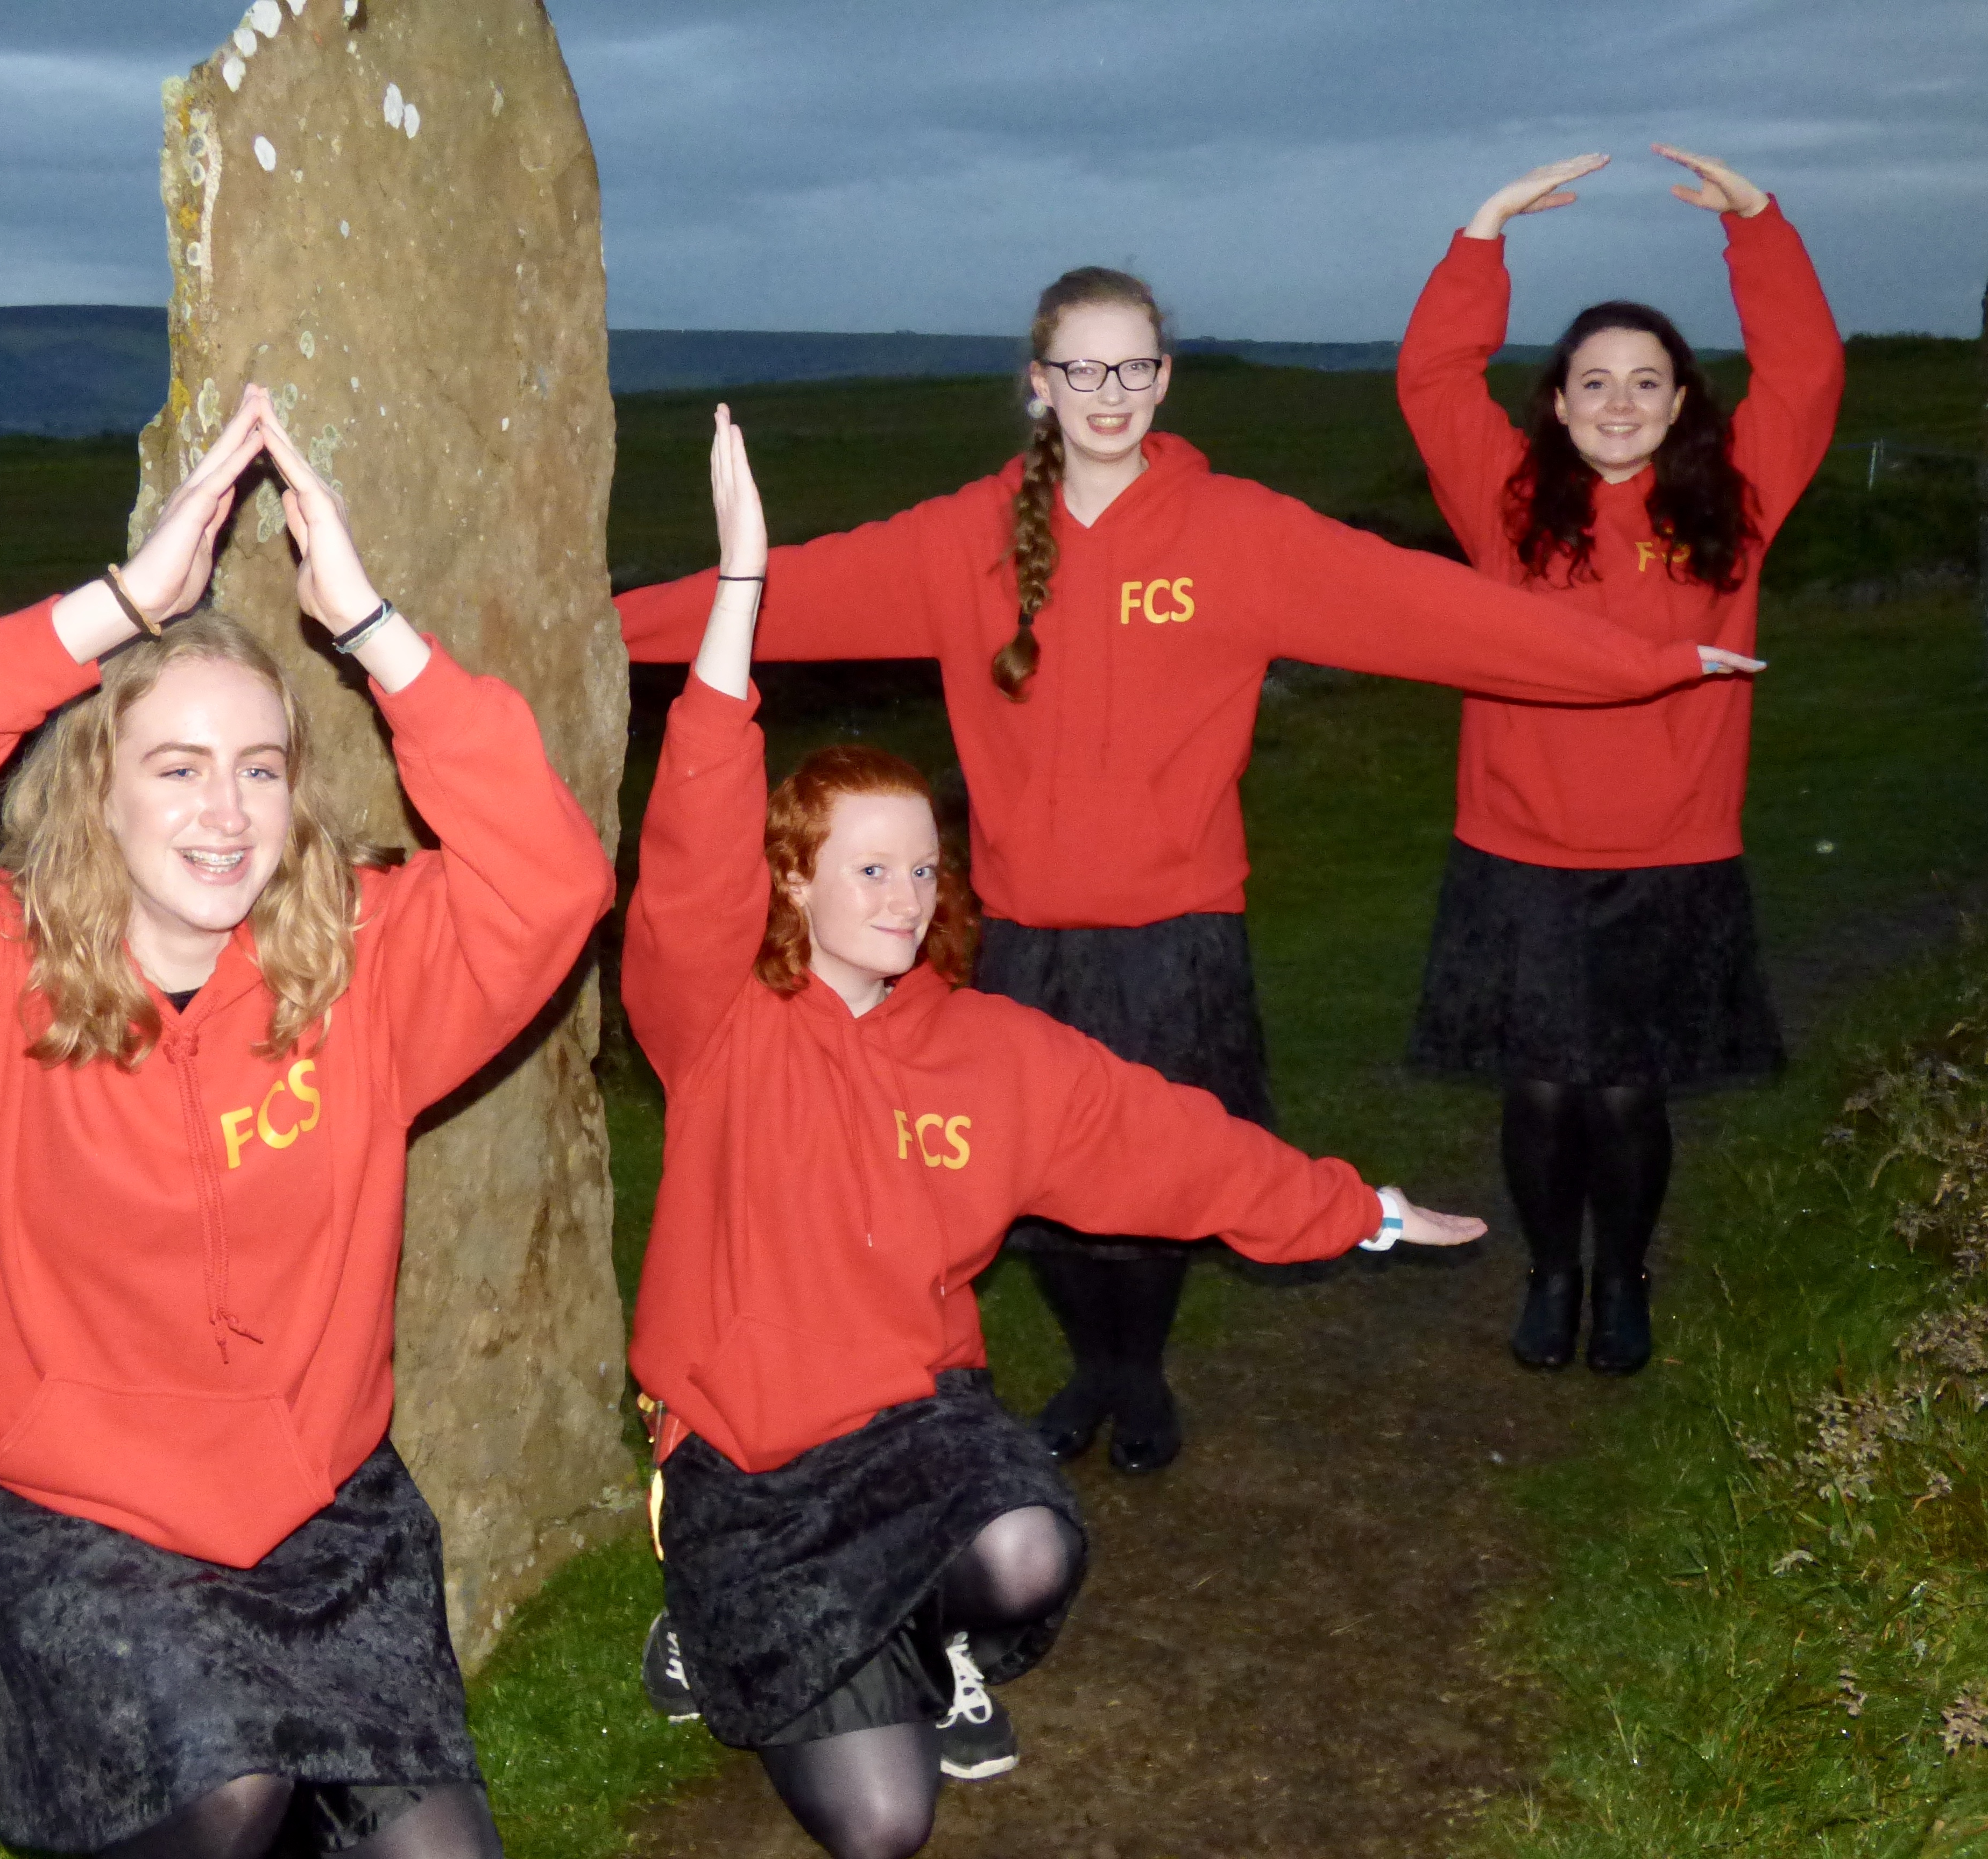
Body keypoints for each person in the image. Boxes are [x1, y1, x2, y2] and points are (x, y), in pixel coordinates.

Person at [615, 275, 1760, 1475]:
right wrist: (603, 627)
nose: (1109, 393)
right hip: (1023, 931)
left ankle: (1142, 1372)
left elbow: (1444, 613)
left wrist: (1648, 662)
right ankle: (1094, 1367)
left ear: (1164, 379)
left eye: (1134, 367)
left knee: (1160, 1162)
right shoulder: (963, 540)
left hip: (1179, 931)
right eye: (1082, 370)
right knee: (1035, 1185)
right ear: (1040, 386)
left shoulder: (1238, 533)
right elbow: (782, 592)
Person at [623, 407, 1487, 1859]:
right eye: (866, 871)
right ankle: (712, 1621)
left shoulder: (989, 1048)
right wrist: (743, 595)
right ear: (792, 884)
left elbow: (1174, 1147)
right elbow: (693, 836)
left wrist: (1365, 1211)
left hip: (917, 1427)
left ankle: (922, 1631)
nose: (904, 899)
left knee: (1031, 1549)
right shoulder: (718, 1023)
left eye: (922, 868)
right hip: (752, 1456)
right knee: (883, 1827)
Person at [0, 385, 613, 1859]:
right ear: (98, 795)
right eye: (177, 768)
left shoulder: (368, 964)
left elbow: (555, 882)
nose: (227, 813)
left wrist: (373, 632)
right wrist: (113, 612)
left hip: (311, 1495)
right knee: (225, 1802)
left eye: (260, 769)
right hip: (63, 1497)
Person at [1395, 146, 1843, 1375]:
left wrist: (1758, 225)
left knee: (1630, 1093)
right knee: (1544, 1090)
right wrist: (1483, 233)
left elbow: (1807, 373)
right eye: (1593, 381)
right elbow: (1432, 377)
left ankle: (1625, 1281)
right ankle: (1551, 1275)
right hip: (1519, 848)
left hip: (1672, 852)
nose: (1619, 401)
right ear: (1557, 402)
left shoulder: (1735, 503)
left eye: (1647, 381)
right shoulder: (1504, 504)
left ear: (1683, 401)